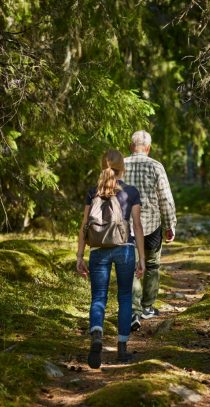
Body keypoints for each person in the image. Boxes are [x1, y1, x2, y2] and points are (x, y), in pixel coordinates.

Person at [76, 149, 145, 369]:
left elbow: (84, 225)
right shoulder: (131, 192)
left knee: (98, 297)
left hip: (98, 250)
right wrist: (142, 257)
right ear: (122, 167)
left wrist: (79, 255)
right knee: (125, 296)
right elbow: (137, 226)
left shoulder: (92, 192)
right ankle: (122, 349)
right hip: (124, 249)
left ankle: (97, 333)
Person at [123, 130, 177, 331]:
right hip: (152, 225)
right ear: (148, 148)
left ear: (131, 146)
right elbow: (165, 198)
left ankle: (133, 311)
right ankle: (146, 307)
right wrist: (170, 225)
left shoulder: (122, 165)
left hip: (126, 226)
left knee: (131, 267)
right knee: (152, 265)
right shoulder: (156, 166)